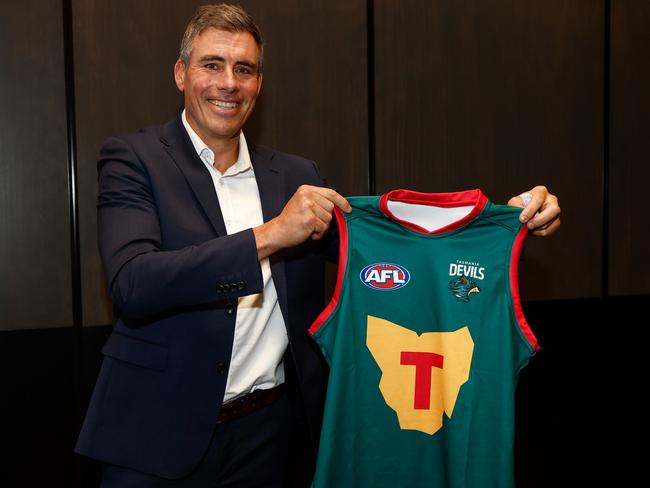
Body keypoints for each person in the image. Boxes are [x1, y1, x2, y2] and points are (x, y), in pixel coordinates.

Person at [75, 4, 561, 487]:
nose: (228, 83)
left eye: (244, 69)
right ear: (181, 73)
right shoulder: (133, 158)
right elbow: (133, 282)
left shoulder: (296, 175)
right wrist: (270, 235)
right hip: (154, 435)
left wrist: (505, 221)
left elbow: (390, 241)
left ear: (259, 84)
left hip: (266, 436)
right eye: (212, 65)